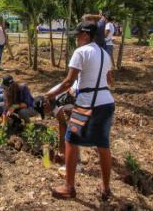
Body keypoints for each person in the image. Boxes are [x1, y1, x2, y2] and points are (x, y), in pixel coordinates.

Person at [45, 21, 115, 200]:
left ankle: (69, 187)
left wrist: (50, 95)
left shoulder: (81, 52)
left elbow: (68, 82)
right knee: (103, 145)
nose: (76, 39)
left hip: (87, 103)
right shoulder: (105, 54)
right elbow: (110, 80)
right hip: (107, 102)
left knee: (70, 140)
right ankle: (106, 188)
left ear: (85, 35)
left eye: (78, 35)